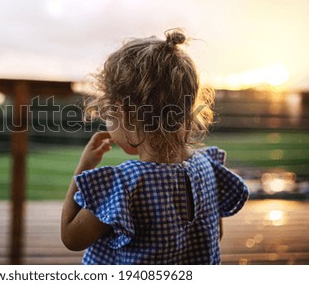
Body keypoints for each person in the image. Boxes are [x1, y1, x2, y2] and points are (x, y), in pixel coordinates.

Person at [61, 29, 249, 264]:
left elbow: (71, 237)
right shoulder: (209, 168)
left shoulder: (125, 186)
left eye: (107, 113)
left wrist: (83, 167)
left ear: (124, 113)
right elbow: (214, 235)